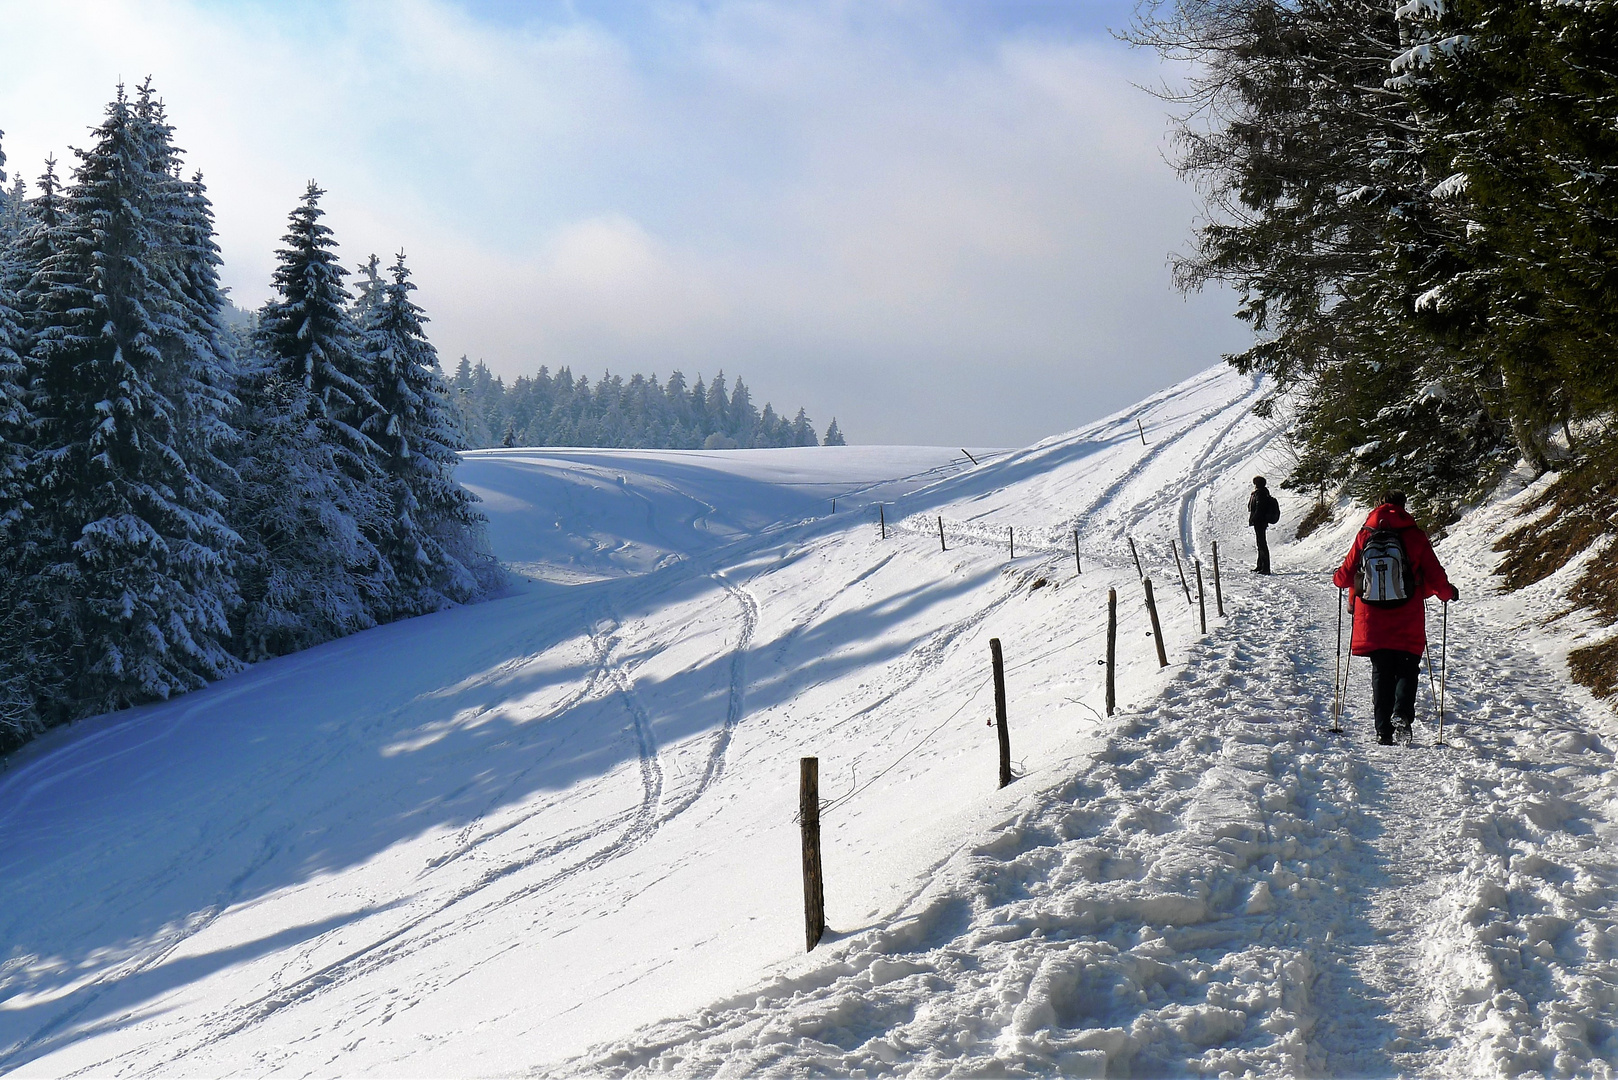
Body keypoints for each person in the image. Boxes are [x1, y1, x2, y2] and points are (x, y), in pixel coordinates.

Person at [1331, 491, 1459, 744]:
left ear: (1377, 506)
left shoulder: (1365, 535)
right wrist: (1447, 593)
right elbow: (1434, 573)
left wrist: (1338, 577)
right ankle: (1401, 713)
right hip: (1407, 614)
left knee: (1381, 670)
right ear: (1403, 507)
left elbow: (1343, 578)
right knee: (1407, 667)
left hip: (1371, 617)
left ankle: (1383, 732)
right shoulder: (1415, 536)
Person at [1248, 476, 1279, 574]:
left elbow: (1259, 508)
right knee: (1260, 543)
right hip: (1260, 521)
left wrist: (1254, 518)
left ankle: (1265, 568)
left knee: (1262, 544)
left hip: (1260, 521)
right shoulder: (1264, 492)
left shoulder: (1260, 493)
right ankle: (1260, 565)